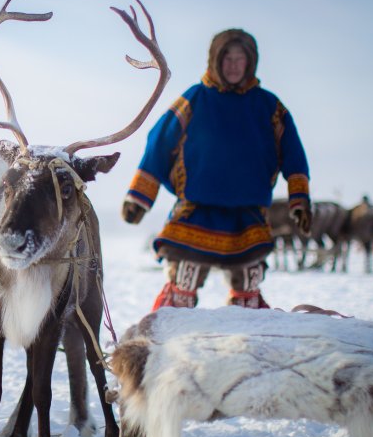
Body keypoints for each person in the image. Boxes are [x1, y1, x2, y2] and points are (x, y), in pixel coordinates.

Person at [122, 28, 312, 310]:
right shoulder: (196, 98)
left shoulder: (268, 105)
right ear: (215, 60)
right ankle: (167, 346)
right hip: (196, 211)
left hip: (247, 215)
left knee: (248, 287)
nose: (233, 66)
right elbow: (159, 142)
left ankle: (245, 348)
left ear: (250, 62)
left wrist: (300, 199)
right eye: (227, 59)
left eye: (240, 59)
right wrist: (139, 197)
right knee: (181, 288)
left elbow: (292, 151)